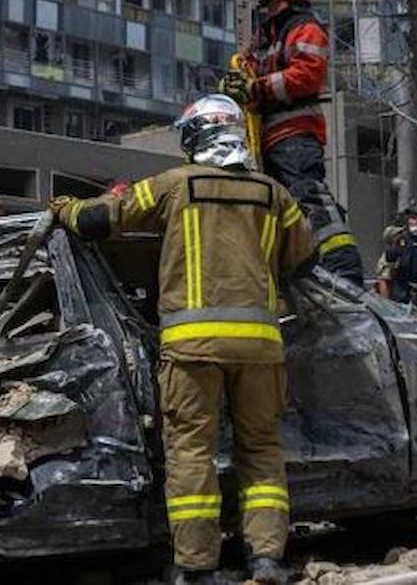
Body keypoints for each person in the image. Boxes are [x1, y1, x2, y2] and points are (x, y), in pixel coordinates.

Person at [52, 95, 313, 585]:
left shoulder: (175, 185)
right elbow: (305, 257)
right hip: (260, 346)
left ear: (195, 137)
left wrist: (64, 207)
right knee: (261, 450)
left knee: (193, 452)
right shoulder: (273, 194)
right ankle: (267, 560)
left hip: (192, 349)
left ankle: (197, 569)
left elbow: (98, 220)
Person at [219, 0, 363, 286]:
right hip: (270, 135)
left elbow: (307, 75)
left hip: (296, 132)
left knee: (306, 195)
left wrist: (256, 87)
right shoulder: (266, 34)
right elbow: (249, 72)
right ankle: (304, 274)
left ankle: (343, 268)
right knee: (285, 206)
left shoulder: (304, 27)